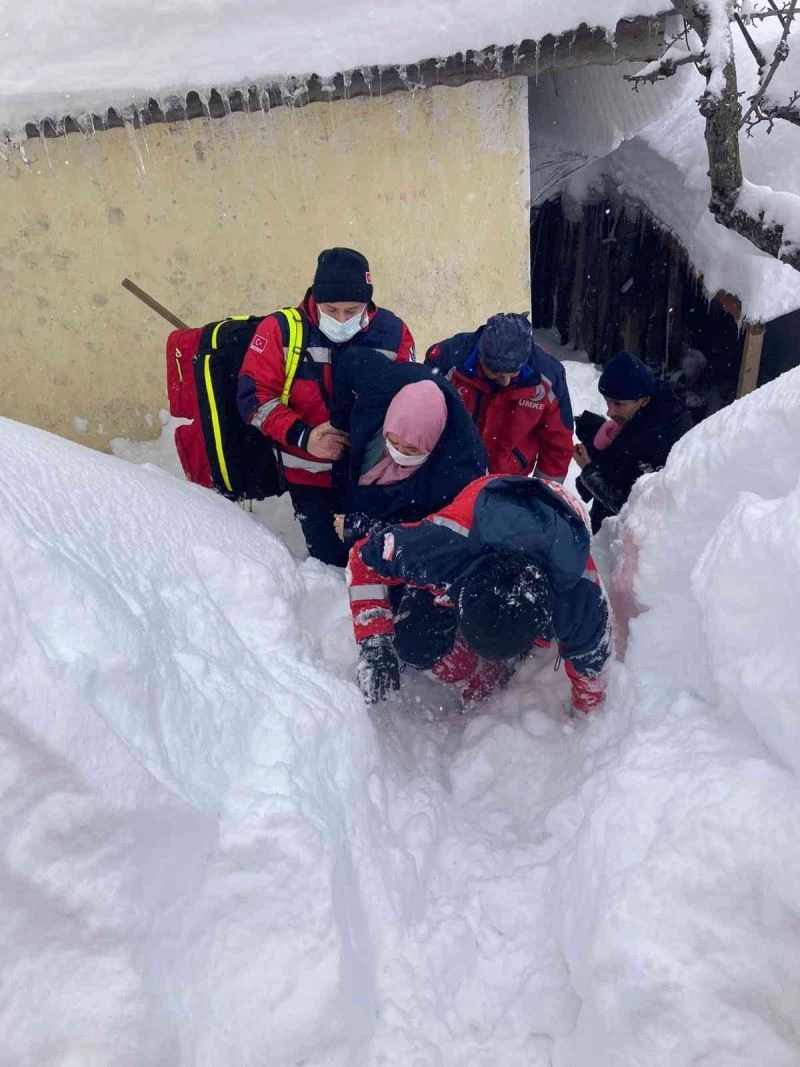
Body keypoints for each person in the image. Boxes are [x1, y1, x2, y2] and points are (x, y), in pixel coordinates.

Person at [346, 474, 611, 714]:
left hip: (565, 515)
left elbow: (591, 669)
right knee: (414, 640)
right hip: (488, 509)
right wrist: (375, 641)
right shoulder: (442, 546)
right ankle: (479, 670)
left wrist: (583, 723)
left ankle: (503, 656)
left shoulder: (580, 594)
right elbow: (364, 560)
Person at [238, 248, 415, 566]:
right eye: (330, 309)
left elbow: (410, 402)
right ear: (314, 299)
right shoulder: (281, 330)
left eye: (352, 310)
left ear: (368, 303)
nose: (341, 319)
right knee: (328, 562)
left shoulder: (393, 333)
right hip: (307, 475)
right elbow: (253, 399)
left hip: (370, 477)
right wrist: (304, 436)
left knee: (375, 559)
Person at [328, 349, 486, 544]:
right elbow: (349, 360)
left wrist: (365, 529)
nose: (398, 454)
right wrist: (339, 424)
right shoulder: (380, 383)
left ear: (433, 443)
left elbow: (434, 537)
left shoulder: (459, 472)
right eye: (393, 443)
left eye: (411, 450)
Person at [425, 312, 574, 482]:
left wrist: (543, 495)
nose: (505, 382)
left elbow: (557, 444)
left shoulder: (549, 376)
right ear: (481, 358)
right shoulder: (446, 360)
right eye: (496, 373)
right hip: (449, 470)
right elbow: (420, 421)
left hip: (509, 478)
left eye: (513, 374)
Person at [573, 350, 695, 533]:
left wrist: (589, 469)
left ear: (644, 400)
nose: (609, 412)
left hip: (632, 543)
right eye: (607, 402)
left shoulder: (661, 437)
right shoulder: (647, 409)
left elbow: (626, 505)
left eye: (618, 404)